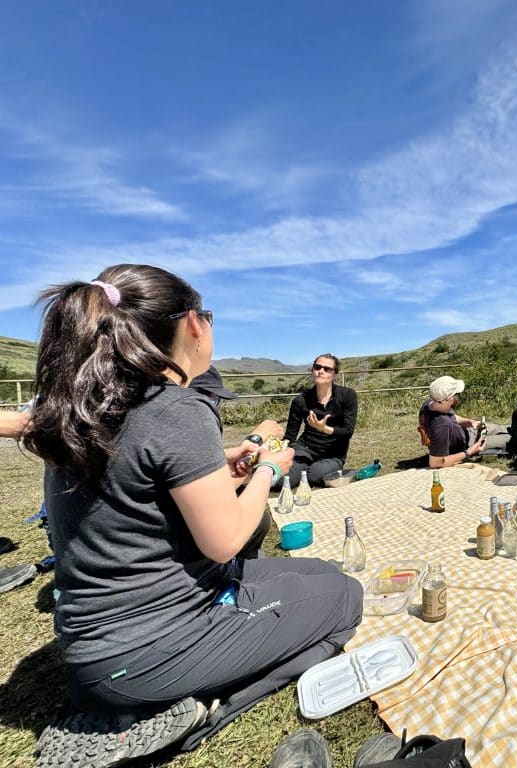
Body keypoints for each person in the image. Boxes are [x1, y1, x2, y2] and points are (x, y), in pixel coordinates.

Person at [24, 265, 363, 762]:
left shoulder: (86, 407)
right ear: (193, 326)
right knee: (345, 596)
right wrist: (267, 469)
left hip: (95, 646)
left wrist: (213, 465)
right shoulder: (174, 408)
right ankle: (203, 709)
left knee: (318, 572)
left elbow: (139, 491)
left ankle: (162, 689)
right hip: (154, 646)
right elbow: (225, 539)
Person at [190, 365, 285, 558]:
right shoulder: (183, 429)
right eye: (211, 400)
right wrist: (265, 463)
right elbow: (207, 491)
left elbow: (201, 467)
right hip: (207, 559)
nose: (216, 408)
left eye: (217, 401)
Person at [283, 353, 358, 487]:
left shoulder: (347, 395)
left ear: (334, 374)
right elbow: (290, 435)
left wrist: (324, 428)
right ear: (312, 370)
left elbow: (348, 431)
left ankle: (306, 470)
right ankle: (299, 470)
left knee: (314, 476)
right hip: (305, 448)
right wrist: (279, 452)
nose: (321, 371)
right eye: (317, 367)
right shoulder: (300, 401)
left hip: (333, 453)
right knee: (286, 479)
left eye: (327, 369)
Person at [419, 375, 509, 468]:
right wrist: (471, 451)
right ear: (450, 399)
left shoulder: (431, 403)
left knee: (507, 428)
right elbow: (435, 463)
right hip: (469, 444)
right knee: (510, 438)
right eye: (457, 394)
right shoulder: (442, 425)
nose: (458, 396)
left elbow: (452, 417)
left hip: (468, 432)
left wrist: (469, 422)